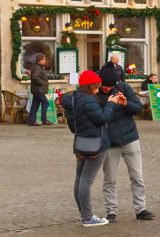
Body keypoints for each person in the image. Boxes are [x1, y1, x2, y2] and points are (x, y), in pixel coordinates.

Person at [63, 70, 123, 227]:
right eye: (96, 87)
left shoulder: (74, 98)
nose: (98, 89)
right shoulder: (89, 100)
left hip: (80, 142)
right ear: (89, 86)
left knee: (79, 178)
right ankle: (88, 217)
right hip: (96, 144)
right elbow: (102, 118)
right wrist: (111, 104)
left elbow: (73, 124)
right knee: (86, 180)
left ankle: (84, 213)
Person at [98, 66, 153, 221]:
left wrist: (125, 103)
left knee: (137, 177)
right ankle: (111, 211)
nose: (107, 88)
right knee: (110, 179)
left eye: (110, 86)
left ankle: (141, 209)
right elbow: (97, 116)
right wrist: (108, 104)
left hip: (130, 138)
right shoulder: (95, 94)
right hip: (110, 142)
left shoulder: (123, 88)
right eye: (104, 86)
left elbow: (138, 109)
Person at [25, 53, 51, 126]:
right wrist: (43, 83)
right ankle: (44, 120)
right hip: (39, 90)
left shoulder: (39, 67)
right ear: (40, 60)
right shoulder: (37, 67)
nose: (45, 60)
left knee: (35, 105)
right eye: (43, 59)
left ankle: (31, 121)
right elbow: (34, 77)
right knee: (45, 103)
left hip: (37, 89)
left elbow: (35, 76)